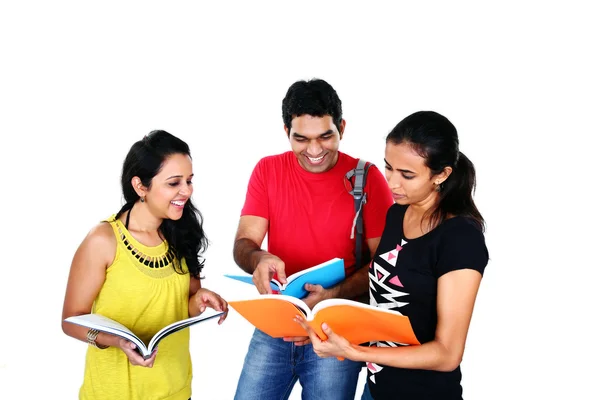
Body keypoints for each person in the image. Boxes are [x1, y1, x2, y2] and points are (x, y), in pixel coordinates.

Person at [296, 111, 490, 400]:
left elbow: (448, 353)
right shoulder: (397, 213)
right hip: (376, 390)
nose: (392, 183)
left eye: (407, 175)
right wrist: (326, 324)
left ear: (442, 174)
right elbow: (385, 301)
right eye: (389, 168)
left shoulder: (460, 238)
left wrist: (354, 352)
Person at [232, 78, 394, 400]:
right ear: (286, 133)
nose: (315, 150)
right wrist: (259, 258)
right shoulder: (267, 170)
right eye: (301, 139)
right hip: (276, 323)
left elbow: (385, 262)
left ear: (342, 128)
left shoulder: (368, 177)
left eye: (325, 136)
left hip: (336, 330)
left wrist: (332, 293)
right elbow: (243, 243)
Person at [61, 130, 229, 400]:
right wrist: (117, 341)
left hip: (175, 390)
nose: (187, 191)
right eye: (174, 183)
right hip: (113, 393)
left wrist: (200, 300)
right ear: (141, 186)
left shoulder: (183, 232)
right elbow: (71, 321)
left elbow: (182, 307)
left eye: (189, 180)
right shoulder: (103, 240)